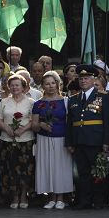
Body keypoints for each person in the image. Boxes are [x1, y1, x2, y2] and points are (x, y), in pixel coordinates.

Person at [66, 65, 109, 210]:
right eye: (81, 78)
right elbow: (70, 123)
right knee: (82, 173)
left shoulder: (103, 97)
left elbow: (107, 121)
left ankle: (98, 200)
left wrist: (106, 141)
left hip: (95, 140)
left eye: (86, 78)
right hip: (79, 140)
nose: (83, 81)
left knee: (97, 171)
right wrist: (69, 142)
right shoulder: (73, 99)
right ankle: (84, 200)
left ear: (93, 79)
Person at [31, 71, 73, 209]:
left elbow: (69, 122)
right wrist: (41, 125)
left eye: (53, 83)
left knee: (61, 168)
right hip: (44, 139)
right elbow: (34, 125)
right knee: (47, 167)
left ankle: (60, 198)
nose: (50, 86)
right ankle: (51, 197)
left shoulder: (66, 101)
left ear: (57, 84)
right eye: (47, 84)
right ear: (43, 86)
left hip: (61, 139)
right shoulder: (38, 104)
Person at [0, 73, 35, 208]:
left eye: (17, 85)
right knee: (10, 169)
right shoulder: (4, 102)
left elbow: (33, 120)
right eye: (12, 85)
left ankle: (24, 196)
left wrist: (22, 130)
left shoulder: (30, 102)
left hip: (25, 140)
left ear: (23, 87)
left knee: (25, 169)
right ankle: (14, 196)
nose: (14, 87)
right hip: (6, 140)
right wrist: (7, 128)